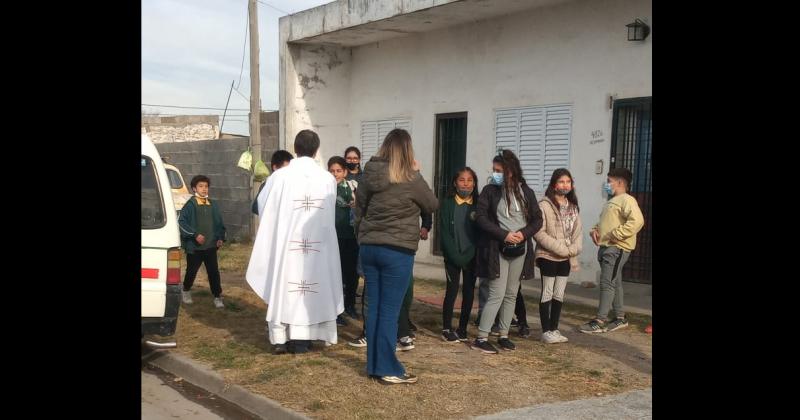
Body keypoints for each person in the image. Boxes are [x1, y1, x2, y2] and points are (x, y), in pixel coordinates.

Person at [246, 130, 344, 355]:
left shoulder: (280, 177)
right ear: (316, 150)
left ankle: (281, 338)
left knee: (284, 287)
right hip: (319, 248)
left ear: (296, 148)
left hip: (287, 246)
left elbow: (263, 206)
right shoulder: (327, 179)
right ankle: (306, 339)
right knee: (315, 288)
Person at [355, 128, 438, 384]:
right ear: (407, 150)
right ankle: (388, 368)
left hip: (370, 246)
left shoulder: (369, 171)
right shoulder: (410, 177)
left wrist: (361, 236)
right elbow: (432, 204)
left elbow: (360, 207)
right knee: (390, 311)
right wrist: (418, 171)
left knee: (376, 308)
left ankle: (375, 365)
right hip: (397, 250)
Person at [471, 150, 542, 354]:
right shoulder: (489, 190)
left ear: (511, 171)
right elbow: (481, 218)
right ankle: (482, 336)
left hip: (519, 249)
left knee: (511, 293)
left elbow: (537, 219)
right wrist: (503, 234)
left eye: (499, 170)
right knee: (496, 293)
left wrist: (523, 234)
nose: (495, 173)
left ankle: (503, 334)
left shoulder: (525, 191)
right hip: (497, 249)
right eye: (494, 170)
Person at [579, 168, 643, 334]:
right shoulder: (612, 201)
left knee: (607, 283)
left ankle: (600, 321)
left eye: (609, 181)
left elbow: (637, 221)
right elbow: (604, 222)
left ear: (620, 182)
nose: (606, 185)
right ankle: (620, 318)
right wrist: (594, 230)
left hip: (616, 248)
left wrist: (616, 234)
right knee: (615, 282)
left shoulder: (627, 200)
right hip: (607, 247)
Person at [533, 168, 583, 344]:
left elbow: (578, 232)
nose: (565, 185)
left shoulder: (573, 206)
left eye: (568, 182)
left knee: (559, 293)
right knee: (547, 291)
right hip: (548, 255)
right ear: (554, 184)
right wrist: (560, 249)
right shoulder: (544, 205)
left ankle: (555, 329)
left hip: (566, 258)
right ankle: (546, 331)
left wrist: (574, 249)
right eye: (561, 182)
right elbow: (539, 233)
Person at [439, 167, 479, 342]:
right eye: (462, 180)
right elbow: (444, 232)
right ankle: (446, 327)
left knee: (469, 291)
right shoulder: (447, 203)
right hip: (452, 256)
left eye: (469, 180)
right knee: (452, 291)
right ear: (455, 183)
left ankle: (462, 328)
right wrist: (454, 256)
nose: (466, 183)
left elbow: (480, 234)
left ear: (474, 183)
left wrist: (469, 254)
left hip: (472, 257)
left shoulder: (478, 204)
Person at [179, 175, 227, 308]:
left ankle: (217, 296)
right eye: (201, 186)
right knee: (191, 271)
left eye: (206, 186)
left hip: (210, 246)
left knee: (213, 272)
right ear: (194, 188)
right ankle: (186, 290)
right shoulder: (190, 205)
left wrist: (219, 238)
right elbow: (181, 222)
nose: (204, 189)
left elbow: (219, 224)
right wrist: (195, 235)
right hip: (195, 248)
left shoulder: (213, 204)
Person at [328, 156, 359, 323]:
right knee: (336, 274)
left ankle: (350, 305)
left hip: (352, 236)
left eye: (338, 171)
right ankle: (336, 311)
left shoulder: (353, 186)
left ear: (345, 172)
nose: (335, 174)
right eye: (332, 171)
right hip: (334, 237)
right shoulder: (326, 189)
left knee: (352, 274)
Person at [252, 150, 293, 215]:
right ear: (275, 167)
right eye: (285, 170)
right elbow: (255, 208)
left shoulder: (291, 184)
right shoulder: (267, 184)